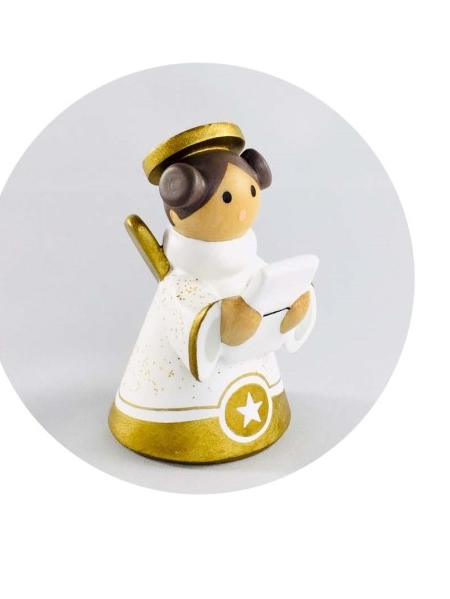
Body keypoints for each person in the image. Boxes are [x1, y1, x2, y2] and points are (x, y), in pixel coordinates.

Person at [109, 122, 317, 463]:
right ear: (180, 202)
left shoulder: (248, 260)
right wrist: (222, 323)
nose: (242, 209)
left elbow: (267, 283)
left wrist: (291, 304)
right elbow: (185, 313)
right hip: (175, 399)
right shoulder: (180, 283)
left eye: (251, 192)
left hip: (255, 377)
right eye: (227, 198)